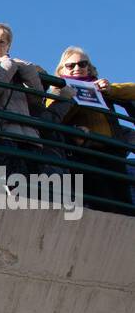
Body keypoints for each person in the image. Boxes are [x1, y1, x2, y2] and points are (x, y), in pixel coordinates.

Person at [45, 48, 135, 213]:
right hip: (84, 153)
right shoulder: (58, 92)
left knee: (123, 203)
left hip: (113, 152)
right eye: (70, 65)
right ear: (61, 70)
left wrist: (110, 89)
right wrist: (69, 99)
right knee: (101, 201)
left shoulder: (101, 89)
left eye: (82, 64)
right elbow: (51, 119)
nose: (76, 68)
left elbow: (132, 90)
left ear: (89, 67)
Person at [0, 23, 48, 175]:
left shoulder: (16, 67)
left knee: (34, 186)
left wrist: (27, 68)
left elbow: (37, 98)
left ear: (8, 46)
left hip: (30, 136)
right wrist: (8, 65)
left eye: (2, 42)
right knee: (13, 182)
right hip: (1, 134)